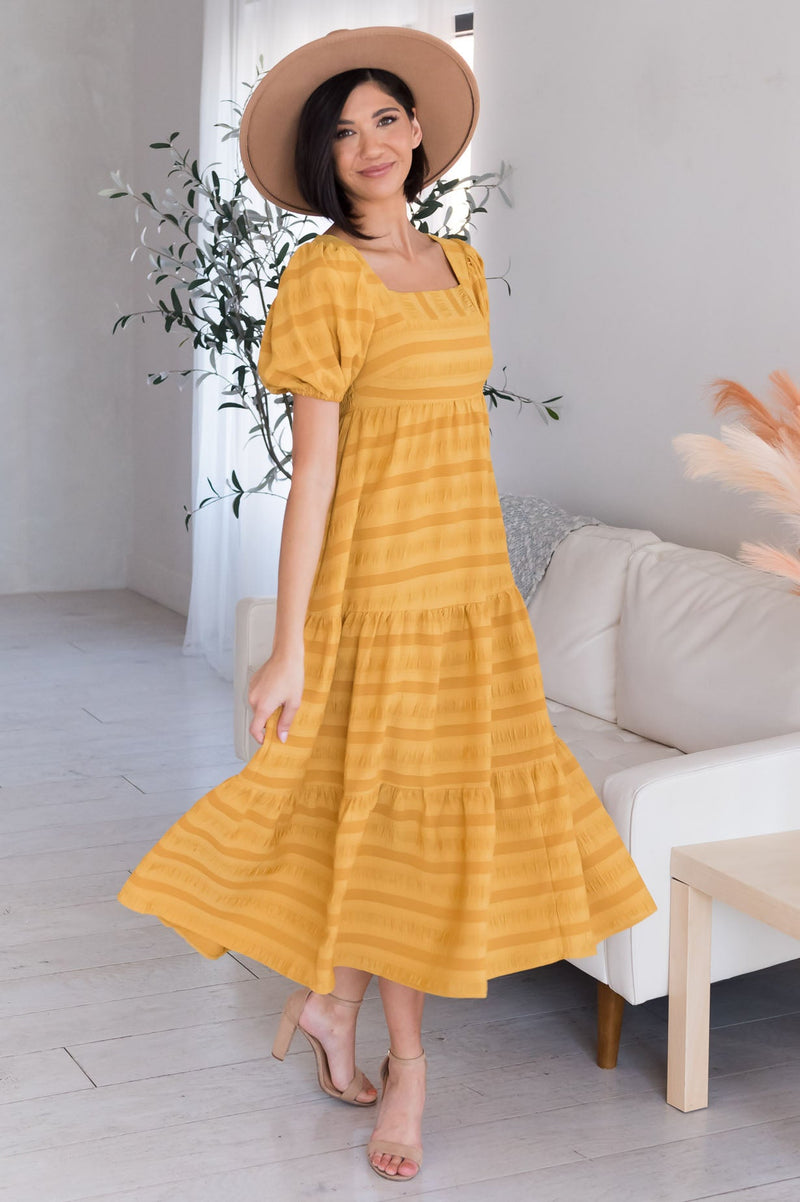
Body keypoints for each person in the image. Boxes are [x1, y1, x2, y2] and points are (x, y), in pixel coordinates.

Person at [118, 26, 656, 1183]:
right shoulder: (322, 277)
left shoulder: (460, 264)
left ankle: (331, 1002)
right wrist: (289, 644)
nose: (367, 143)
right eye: (343, 131)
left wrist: (486, 579)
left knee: (403, 812)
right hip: (377, 582)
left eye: (383, 119)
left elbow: (458, 432)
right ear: (324, 158)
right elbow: (312, 474)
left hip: (466, 582)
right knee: (399, 819)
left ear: (416, 132)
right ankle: (407, 1067)